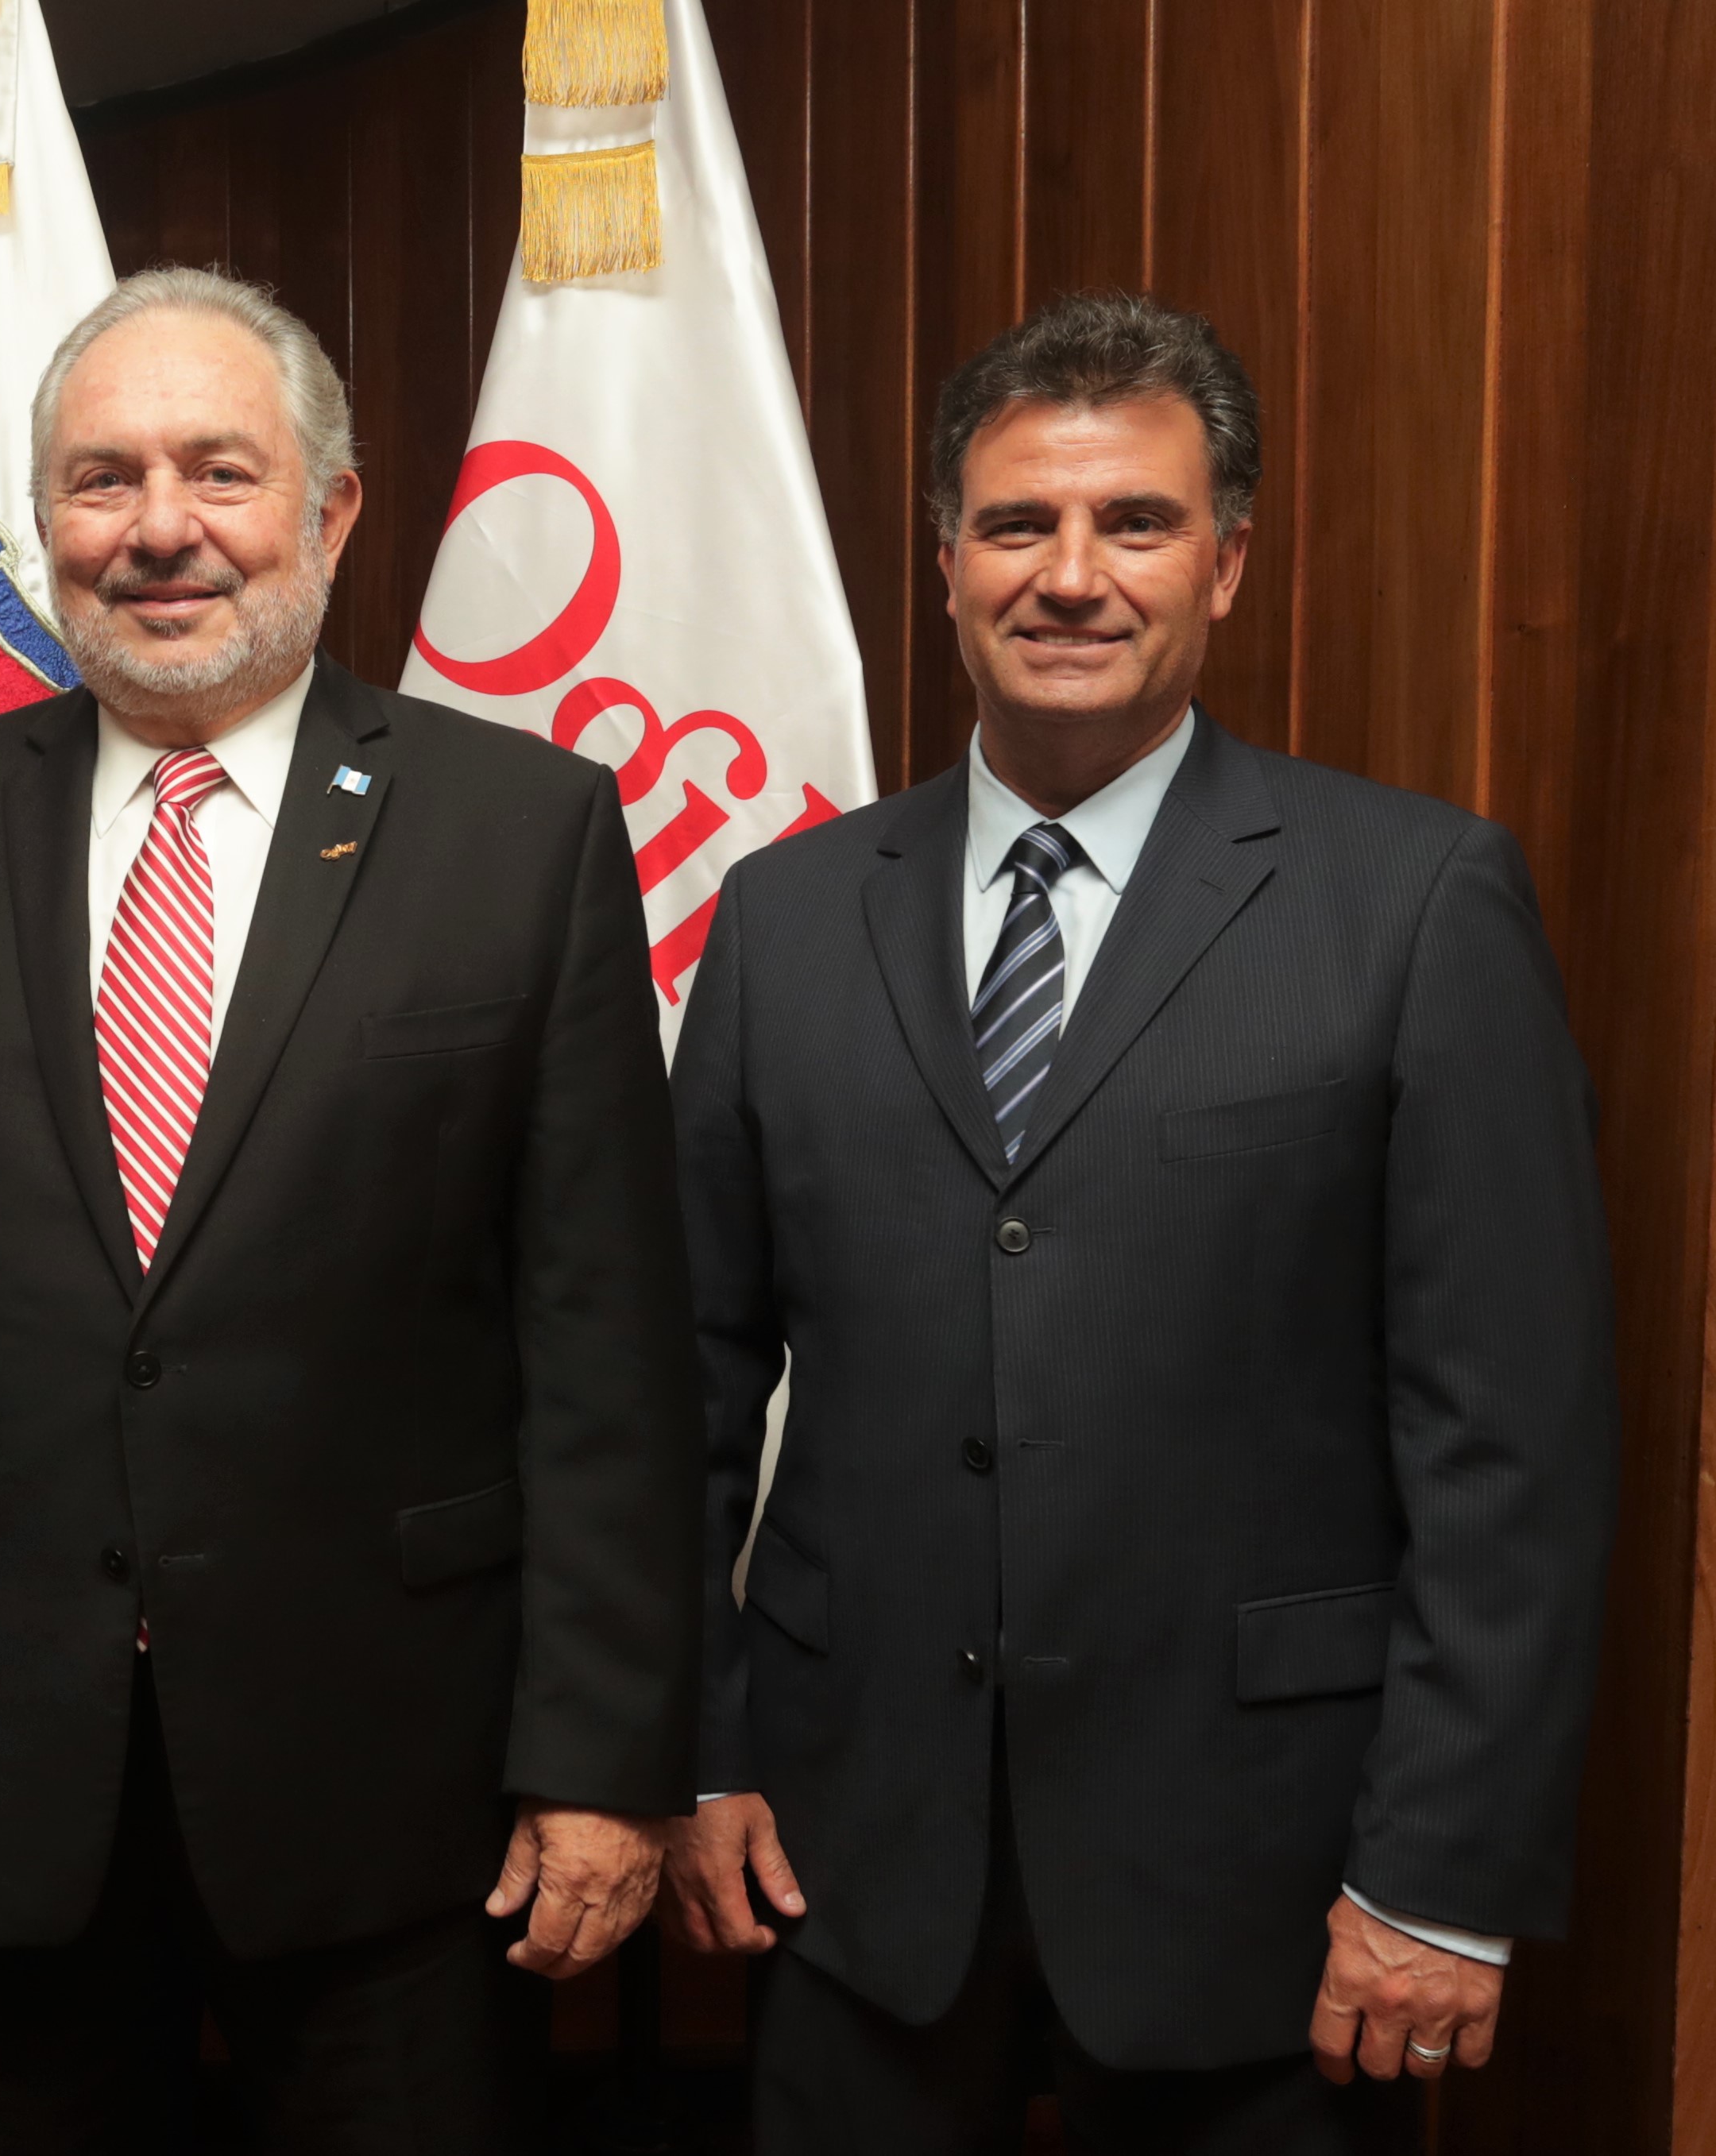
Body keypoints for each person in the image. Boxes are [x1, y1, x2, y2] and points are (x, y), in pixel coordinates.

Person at [0, 266, 705, 2150]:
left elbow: (602, 1346)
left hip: (405, 1795)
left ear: (330, 512)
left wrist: (599, 1757)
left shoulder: (524, 835)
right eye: (100, 480)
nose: (157, 529)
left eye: (216, 472)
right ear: (44, 529)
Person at [660, 291, 1618, 2154]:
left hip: (1266, 1880)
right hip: (847, 1864)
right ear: (939, 560)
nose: (1069, 576)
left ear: (1228, 561)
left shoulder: (1412, 903)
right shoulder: (780, 919)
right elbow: (680, 1378)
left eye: (1136, 523)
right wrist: (691, 1747)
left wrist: (1437, 1874)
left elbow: (1508, 1441)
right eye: (1016, 523)